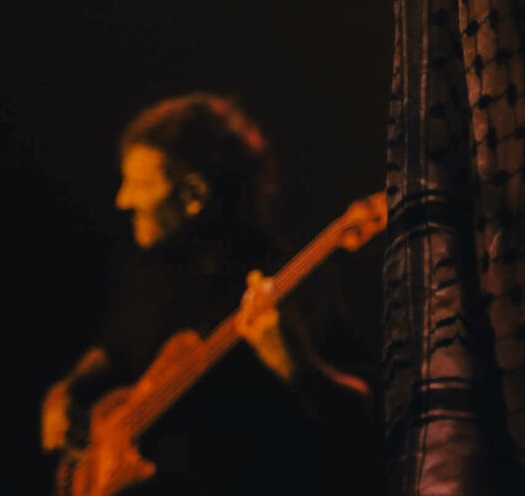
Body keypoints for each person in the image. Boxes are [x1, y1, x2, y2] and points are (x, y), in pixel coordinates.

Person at [41, 94, 380, 495]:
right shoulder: (150, 271)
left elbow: (361, 420)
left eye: (140, 184)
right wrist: (70, 389)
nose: (123, 199)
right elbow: (113, 349)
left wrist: (295, 365)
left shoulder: (288, 281)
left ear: (194, 195)